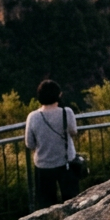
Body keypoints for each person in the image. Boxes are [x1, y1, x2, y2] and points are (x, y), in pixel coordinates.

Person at [24, 80, 80, 209]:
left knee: (46, 205)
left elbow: (29, 143)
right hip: (66, 163)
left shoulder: (32, 117)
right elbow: (73, 131)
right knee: (72, 203)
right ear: (59, 95)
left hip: (43, 165)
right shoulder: (67, 112)